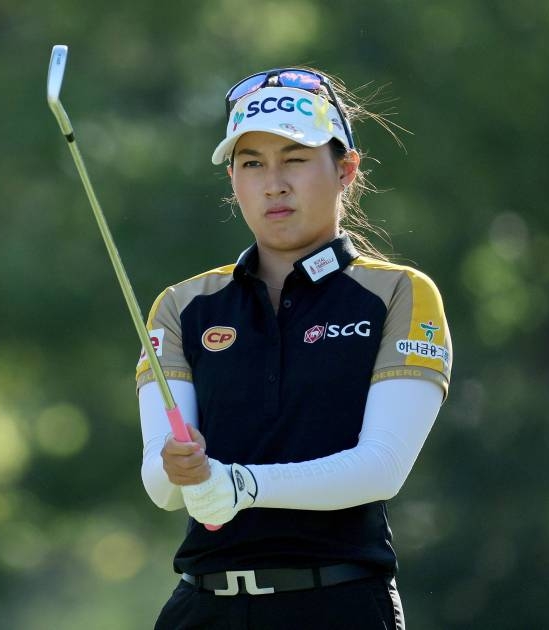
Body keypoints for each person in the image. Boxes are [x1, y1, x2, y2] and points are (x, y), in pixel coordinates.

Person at [137, 67, 452, 629]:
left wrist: (242, 486)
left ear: (346, 169)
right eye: (252, 164)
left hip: (338, 604)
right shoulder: (184, 306)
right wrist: (177, 466)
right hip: (203, 610)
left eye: (296, 158)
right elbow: (162, 488)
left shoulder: (398, 293)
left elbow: (381, 468)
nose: (273, 184)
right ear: (232, 178)